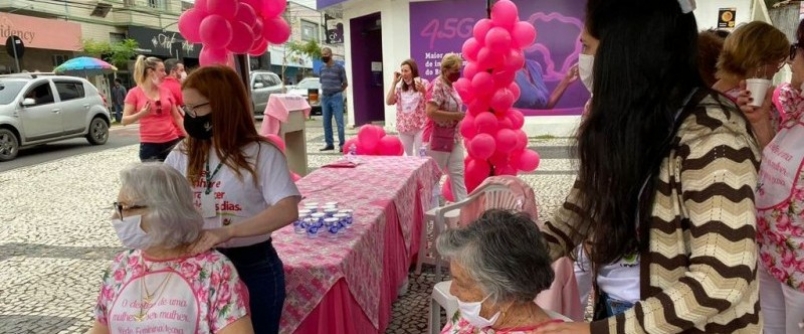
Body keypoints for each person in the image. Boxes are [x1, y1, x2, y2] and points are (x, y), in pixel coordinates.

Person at [534, 0, 762, 333]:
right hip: (616, 309)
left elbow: (721, 277)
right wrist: (509, 265)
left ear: (626, 52)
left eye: (588, 46)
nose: (583, 59)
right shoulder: (624, 122)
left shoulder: (714, 137)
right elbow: (576, 213)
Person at [164, 65, 301, 334]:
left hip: (253, 264)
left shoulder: (261, 153)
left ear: (223, 105)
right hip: (197, 263)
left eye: (196, 108)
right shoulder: (182, 153)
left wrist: (228, 232)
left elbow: (287, 209)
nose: (189, 116)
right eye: (186, 109)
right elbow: (160, 198)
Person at [89, 163, 253, 334]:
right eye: (116, 207)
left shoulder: (214, 270)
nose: (115, 216)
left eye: (123, 208)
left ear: (163, 212)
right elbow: (101, 330)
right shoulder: (121, 266)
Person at [747, 18, 804, 334]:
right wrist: (759, 121)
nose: (791, 61)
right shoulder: (795, 106)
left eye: (796, 50)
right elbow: (777, 161)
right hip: (772, 251)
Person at [439, 210, 564, 333]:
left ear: (507, 297)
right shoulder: (481, 313)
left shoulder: (483, 311)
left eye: (462, 285)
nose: (452, 291)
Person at [711, 21, 788, 148]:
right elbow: (773, 158)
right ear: (761, 62)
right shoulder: (753, 103)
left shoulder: (711, 94)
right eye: (778, 61)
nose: (777, 69)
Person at [122, 55, 187, 162]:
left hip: (171, 140)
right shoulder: (134, 93)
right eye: (161, 70)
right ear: (150, 72)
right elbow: (124, 120)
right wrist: (141, 114)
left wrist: (189, 136)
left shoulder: (166, 91)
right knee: (153, 177)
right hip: (149, 144)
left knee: (175, 175)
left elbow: (177, 117)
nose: (165, 74)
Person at [425, 53, 468, 202]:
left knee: (458, 174)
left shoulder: (451, 86)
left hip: (455, 138)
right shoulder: (438, 85)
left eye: (459, 69)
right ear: (445, 69)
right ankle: (433, 213)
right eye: (455, 70)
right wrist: (455, 116)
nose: (458, 73)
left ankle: (464, 213)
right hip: (440, 138)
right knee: (434, 177)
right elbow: (430, 112)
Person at [386, 59, 429, 156]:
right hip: (404, 127)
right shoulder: (400, 87)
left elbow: (432, 101)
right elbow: (389, 102)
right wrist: (394, 83)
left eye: (406, 71)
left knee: (421, 156)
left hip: (420, 126)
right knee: (406, 157)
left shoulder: (424, 83)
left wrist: (423, 91)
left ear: (413, 71)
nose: (403, 74)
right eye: (402, 71)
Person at [319, 47, 348, 152]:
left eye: (326, 54)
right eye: (322, 54)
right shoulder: (321, 68)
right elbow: (322, 81)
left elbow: (345, 83)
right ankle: (329, 143)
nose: (324, 56)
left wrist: (337, 91)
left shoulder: (339, 68)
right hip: (325, 97)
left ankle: (342, 144)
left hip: (336, 96)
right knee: (326, 122)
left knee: (339, 121)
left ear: (331, 54)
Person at [163, 59, 187, 140]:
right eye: (181, 70)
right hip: (179, 130)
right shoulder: (178, 87)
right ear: (173, 72)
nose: (183, 73)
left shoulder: (159, 86)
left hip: (165, 130)